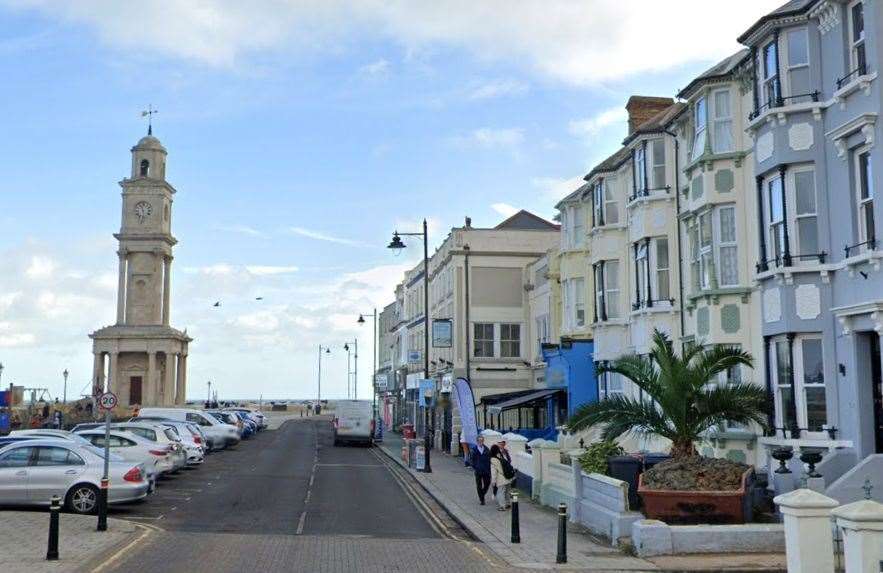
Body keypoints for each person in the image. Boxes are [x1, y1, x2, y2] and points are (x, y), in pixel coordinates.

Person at [490, 442, 516, 511]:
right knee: (507, 492)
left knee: (500, 493)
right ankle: (508, 504)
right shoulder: (501, 456)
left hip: (501, 479)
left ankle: (502, 506)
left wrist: (493, 481)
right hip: (508, 477)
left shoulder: (493, 460)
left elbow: (494, 472)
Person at [470, 435, 492, 505]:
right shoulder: (474, 449)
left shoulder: (486, 449)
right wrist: (475, 467)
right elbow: (472, 460)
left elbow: (489, 459)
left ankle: (482, 493)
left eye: (482, 440)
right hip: (478, 470)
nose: (480, 442)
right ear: (477, 441)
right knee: (479, 485)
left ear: (483, 441)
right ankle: (482, 499)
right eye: (479, 440)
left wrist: (489, 468)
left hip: (486, 470)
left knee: (487, 483)